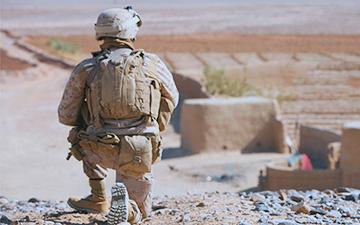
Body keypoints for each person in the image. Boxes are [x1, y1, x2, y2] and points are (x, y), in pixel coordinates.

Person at [58, 6, 179, 224]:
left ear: (100, 33)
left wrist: (91, 121)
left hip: (99, 148)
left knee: (77, 133)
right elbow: (172, 98)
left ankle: (98, 196)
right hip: (141, 150)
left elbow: (66, 116)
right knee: (141, 212)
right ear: (131, 32)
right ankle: (130, 210)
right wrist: (156, 126)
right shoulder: (153, 63)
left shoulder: (87, 67)